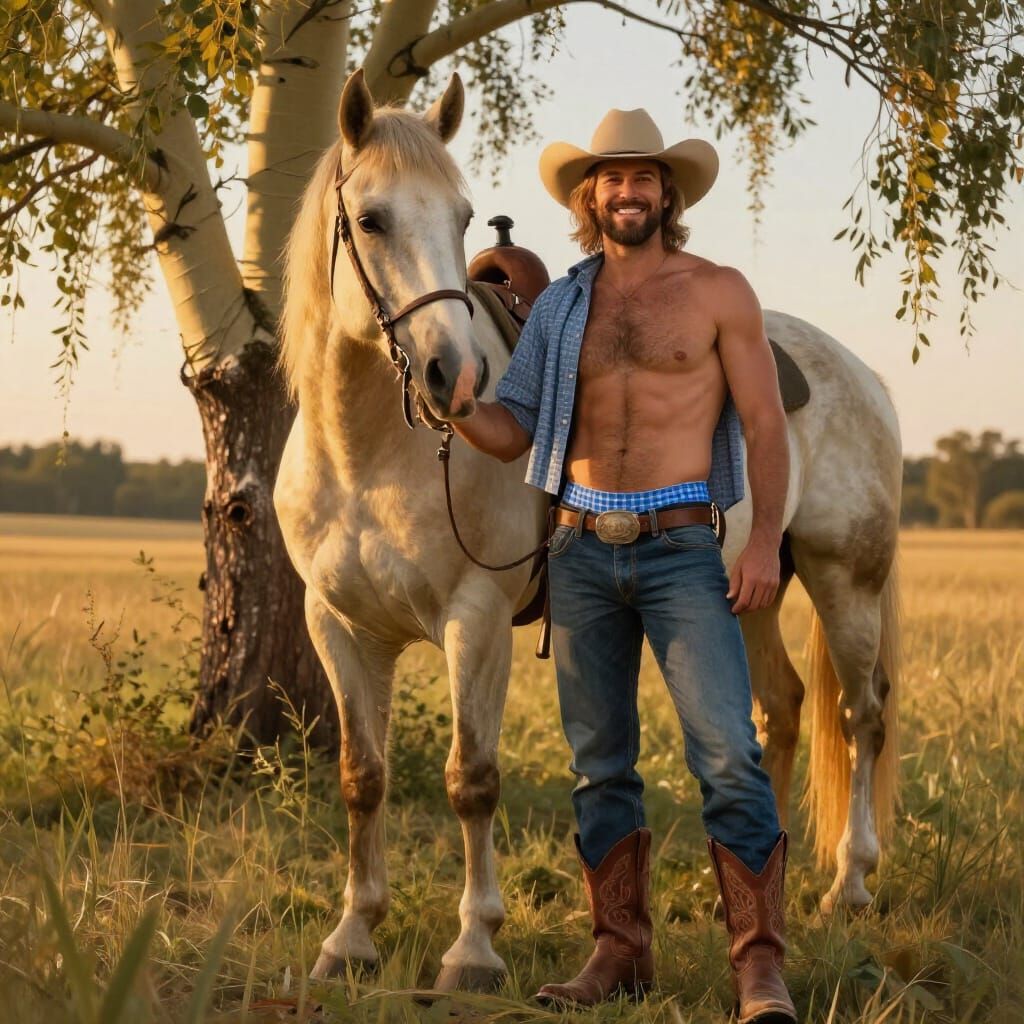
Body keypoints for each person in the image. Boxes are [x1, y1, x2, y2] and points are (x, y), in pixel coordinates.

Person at [451, 107, 797, 1023]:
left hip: (683, 549)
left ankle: (759, 966)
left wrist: (763, 541)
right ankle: (619, 951)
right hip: (578, 550)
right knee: (599, 766)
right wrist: (460, 410)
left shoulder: (718, 290)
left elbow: (765, 424)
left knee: (728, 756)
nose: (628, 191)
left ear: (667, 193)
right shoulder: (561, 307)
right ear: (589, 197)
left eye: (644, 177)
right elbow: (514, 430)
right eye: (612, 178)